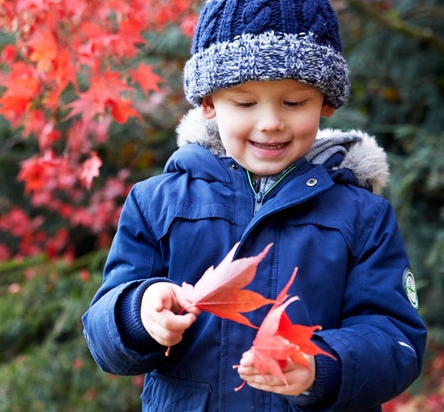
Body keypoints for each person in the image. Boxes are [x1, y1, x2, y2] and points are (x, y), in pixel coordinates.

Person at [81, 0, 428, 410]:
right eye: (245, 103)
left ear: (326, 103)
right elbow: (104, 335)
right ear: (209, 104)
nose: (270, 122)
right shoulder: (156, 203)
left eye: (294, 103)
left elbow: (396, 339)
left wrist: (322, 366)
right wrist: (138, 314)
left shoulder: (362, 215)